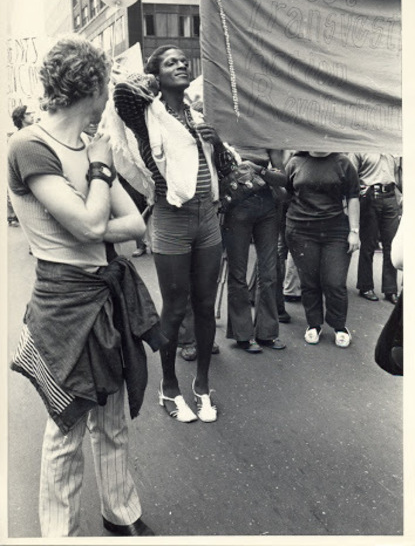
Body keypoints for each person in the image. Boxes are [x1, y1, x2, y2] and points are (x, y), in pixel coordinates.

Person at [8, 36, 164, 537]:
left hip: (105, 294)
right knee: (68, 426)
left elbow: (131, 227)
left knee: (113, 417)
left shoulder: (87, 146)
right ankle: (61, 534)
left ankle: (120, 512)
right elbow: (89, 226)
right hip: (64, 303)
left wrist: (95, 207)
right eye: (108, 86)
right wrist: (99, 174)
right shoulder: (30, 144)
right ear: (94, 87)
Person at [114, 44, 234, 423]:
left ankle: (201, 385)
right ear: (157, 74)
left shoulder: (197, 117)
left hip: (207, 220)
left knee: (204, 306)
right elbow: (123, 92)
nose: (181, 64)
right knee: (175, 307)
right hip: (171, 220)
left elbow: (225, 170)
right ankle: (169, 387)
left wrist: (215, 143)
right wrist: (153, 77)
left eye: (184, 61)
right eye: (171, 62)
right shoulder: (147, 116)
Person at [285, 151, 360, 348]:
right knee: (309, 281)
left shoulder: (343, 162)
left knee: (334, 282)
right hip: (301, 229)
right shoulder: (295, 162)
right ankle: (314, 324)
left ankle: (339, 326)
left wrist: (354, 231)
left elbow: (353, 196)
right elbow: (287, 195)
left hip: (335, 230)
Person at [222, 147, 287, 353]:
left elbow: (284, 179)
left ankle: (267, 332)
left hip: (266, 208)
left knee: (268, 272)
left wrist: (259, 169)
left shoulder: (266, 136)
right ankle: (242, 335)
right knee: (238, 273)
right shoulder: (226, 132)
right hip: (236, 209)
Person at [348, 152, 402, 304]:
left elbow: (398, 175)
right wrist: (360, 190)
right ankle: (365, 286)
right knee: (369, 244)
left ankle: (390, 289)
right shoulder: (360, 148)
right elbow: (350, 174)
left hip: (390, 197)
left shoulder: (391, 148)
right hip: (370, 197)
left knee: (391, 244)